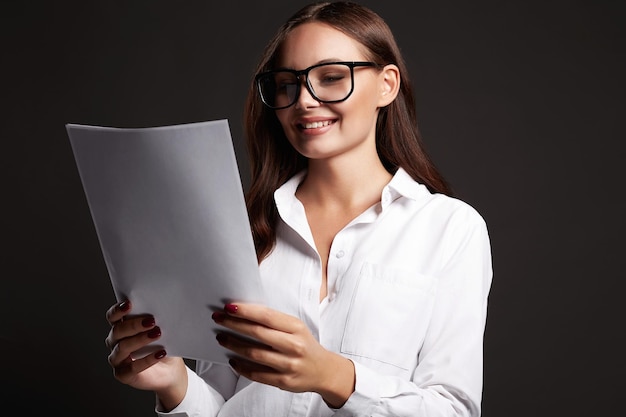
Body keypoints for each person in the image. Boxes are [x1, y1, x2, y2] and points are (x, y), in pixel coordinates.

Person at [104, 1, 493, 416]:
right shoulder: (242, 229)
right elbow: (222, 407)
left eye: (330, 78)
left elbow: (453, 410)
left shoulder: (450, 229)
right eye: (288, 84)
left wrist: (333, 376)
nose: (304, 101)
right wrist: (174, 383)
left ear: (387, 84)